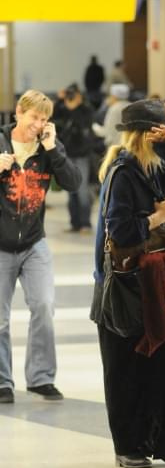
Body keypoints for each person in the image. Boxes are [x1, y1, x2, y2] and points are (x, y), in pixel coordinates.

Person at [91, 98, 165, 468]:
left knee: (162, 363)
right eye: (155, 133)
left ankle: (163, 443)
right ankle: (129, 446)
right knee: (126, 369)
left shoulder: (155, 169)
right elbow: (119, 230)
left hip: (154, 283)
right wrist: (159, 217)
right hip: (123, 285)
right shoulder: (123, 173)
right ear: (141, 137)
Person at [0, 89, 82, 403]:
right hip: (1, 244)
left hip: (34, 242)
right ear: (19, 112)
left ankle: (41, 377)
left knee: (44, 307)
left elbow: (74, 182)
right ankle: (2, 382)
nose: (39, 124)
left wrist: (53, 148)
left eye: (44, 119)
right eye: (34, 117)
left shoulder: (48, 147)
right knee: (1, 318)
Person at [55, 84, 94, 233]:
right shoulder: (63, 109)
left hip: (82, 155)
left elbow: (85, 123)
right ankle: (74, 223)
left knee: (82, 190)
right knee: (71, 190)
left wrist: (78, 104)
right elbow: (53, 118)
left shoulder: (85, 110)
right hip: (67, 154)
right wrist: (59, 101)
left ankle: (86, 223)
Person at [92, 83, 130, 148]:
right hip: (129, 145)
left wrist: (94, 126)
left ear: (114, 96)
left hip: (116, 147)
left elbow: (106, 132)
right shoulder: (131, 105)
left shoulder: (114, 109)